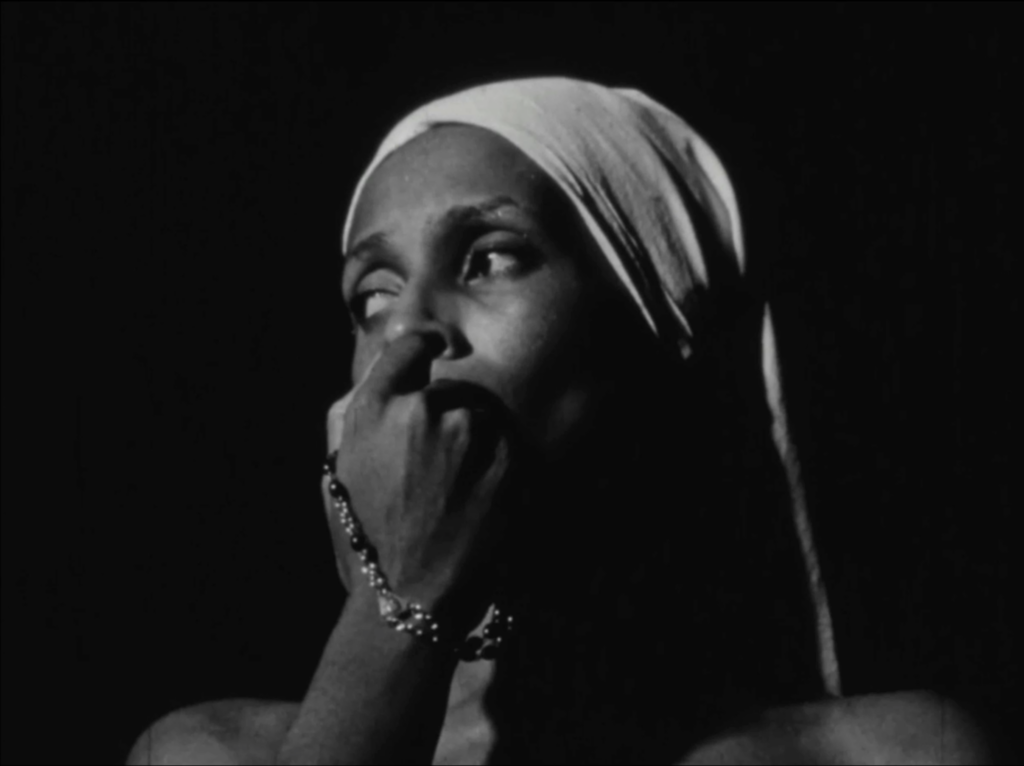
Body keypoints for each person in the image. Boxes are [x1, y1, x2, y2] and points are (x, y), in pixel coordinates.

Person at [126, 77, 999, 765]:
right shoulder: (206, 750)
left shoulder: (904, 751)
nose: (410, 329)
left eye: (491, 259)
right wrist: (396, 608)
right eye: (373, 295)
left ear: (653, 340)